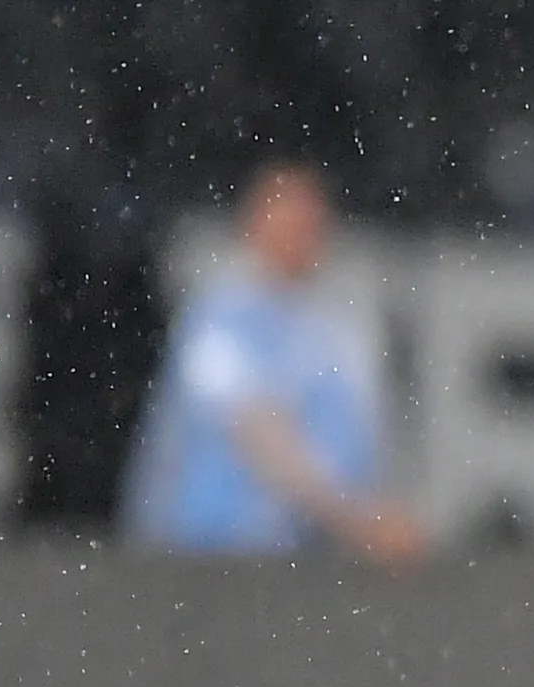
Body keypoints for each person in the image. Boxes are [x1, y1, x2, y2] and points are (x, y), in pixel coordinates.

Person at [121, 162, 425, 563]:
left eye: (308, 226)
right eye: (286, 225)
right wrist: (357, 520)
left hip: (304, 558)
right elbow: (257, 430)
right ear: (254, 228)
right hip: (206, 557)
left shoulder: (337, 329)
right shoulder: (217, 319)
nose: (298, 239)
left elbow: (363, 440)